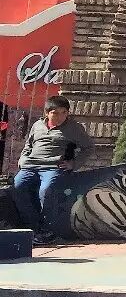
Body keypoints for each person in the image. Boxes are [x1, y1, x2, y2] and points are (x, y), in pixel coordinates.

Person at [14, 96, 93, 244]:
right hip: (31, 165)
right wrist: (22, 159)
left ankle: (48, 229)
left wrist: (73, 164)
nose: (60, 117)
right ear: (47, 113)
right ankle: (34, 227)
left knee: (46, 190)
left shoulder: (74, 128)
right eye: (55, 113)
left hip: (53, 167)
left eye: (64, 113)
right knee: (18, 186)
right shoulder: (37, 125)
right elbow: (29, 145)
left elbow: (88, 148)